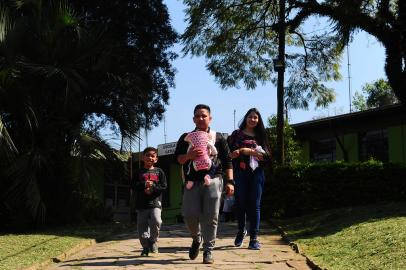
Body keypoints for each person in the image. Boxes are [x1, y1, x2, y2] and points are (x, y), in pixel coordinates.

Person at [175, 104, 234, 264]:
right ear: (193, 119)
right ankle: (196, 238)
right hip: (191, 182)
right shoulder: (185, 137)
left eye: (204, 116)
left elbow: (228, 161)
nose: (201, 118)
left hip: (214, 180)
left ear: (210, 118)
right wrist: (189, 155)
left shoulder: (218, 137)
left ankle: (208, 250)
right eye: (198, 116)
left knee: (211, 216)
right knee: (188, 214)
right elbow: (177, 159)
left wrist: (230, 182)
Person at [227, 108, 271, 250]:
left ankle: (254, 238)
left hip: (257, 173)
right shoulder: (236, 135)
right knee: (240, 204)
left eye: (255, 117)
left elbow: (267, 157)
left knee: (255, 205)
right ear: (246, 118)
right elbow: (229, 154)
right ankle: (241, 231)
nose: (253, 119)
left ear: (258, 120)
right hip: (240, 172)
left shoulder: (261, 135)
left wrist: (247, 151)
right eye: (250, 117)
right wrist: (235, 154)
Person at [131, 147, 167, 256]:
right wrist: (144, 185)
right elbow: (133, 185)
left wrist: (153, 187)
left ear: (156, 159)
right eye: (147, 155)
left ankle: (153, 241)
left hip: (155, 203)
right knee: (142, 227)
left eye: (152, 156)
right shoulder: (138, 172)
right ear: (143, 158)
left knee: (157, 221)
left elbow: (164, 186)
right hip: (141, 204)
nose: (150, 158)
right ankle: (145, 247)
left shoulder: (159, 171)